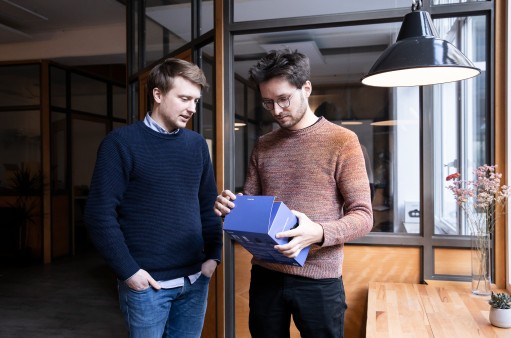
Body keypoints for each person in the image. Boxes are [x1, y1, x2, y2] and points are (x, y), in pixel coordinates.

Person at [214, 49, 373, 338]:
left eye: (283, 99)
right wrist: (232, 207)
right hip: (266, 274)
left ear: (306, 88)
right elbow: (253, 203)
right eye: (267, 102)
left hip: (319, 278)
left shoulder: (342, 141)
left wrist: (319, 233)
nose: (276, 111)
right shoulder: (263, 145)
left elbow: (363, 216)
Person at [84, 58, 223, 338]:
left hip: (195, 281)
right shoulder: (120, 143)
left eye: (196, 100)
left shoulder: (196, 145)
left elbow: (207, 205)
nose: (192, 108)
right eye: (184, 98)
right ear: (158, 94)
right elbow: (99, 214)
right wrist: (129, 272)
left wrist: (214, 257)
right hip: (148, 286)